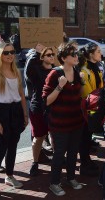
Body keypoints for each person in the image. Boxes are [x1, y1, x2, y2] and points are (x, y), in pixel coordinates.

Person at [0, 43, 28, 197]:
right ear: (0, 55)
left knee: (13, 147)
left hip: (15, 112)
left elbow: (22, 96)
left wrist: (25, 114)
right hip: (0, 112)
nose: (10, 55)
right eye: (6, 52)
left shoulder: (16, 71)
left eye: (12, 52)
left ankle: (9, 176)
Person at [42, 43, 84, 196]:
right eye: (73, 54)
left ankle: (71, 178)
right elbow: (46, 101)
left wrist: (82, 83)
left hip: (76, 121)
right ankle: (54, 183)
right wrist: (59, 86)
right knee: (59, 153)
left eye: (76, 54)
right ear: (64, 58)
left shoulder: (77, 71)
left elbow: (79, 95)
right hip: (59, 122)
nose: (76, 57)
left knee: (73, 152)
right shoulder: (54, 74)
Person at [26, 46, 54, 176]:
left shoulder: (56, 71)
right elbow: (28, 70)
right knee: (38, 137)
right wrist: (36, 53)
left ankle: (57, 158)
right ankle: (35, 162)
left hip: (53, 109)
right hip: (38, 108)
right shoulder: (36, 70)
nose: (51, 56)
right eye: (48, 55)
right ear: (42, 57)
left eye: (53, 54)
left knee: (54, 135)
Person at [78, 43, 104, 176]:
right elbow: (86, 94)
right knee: (84, 137)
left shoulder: (96, 68)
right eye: (98, 51)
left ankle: (86, 160)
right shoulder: (84, 71)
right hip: (86, 110)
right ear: (91, 54)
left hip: (94, 107)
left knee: (88, 137)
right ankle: (84, 163)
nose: (101, 53)